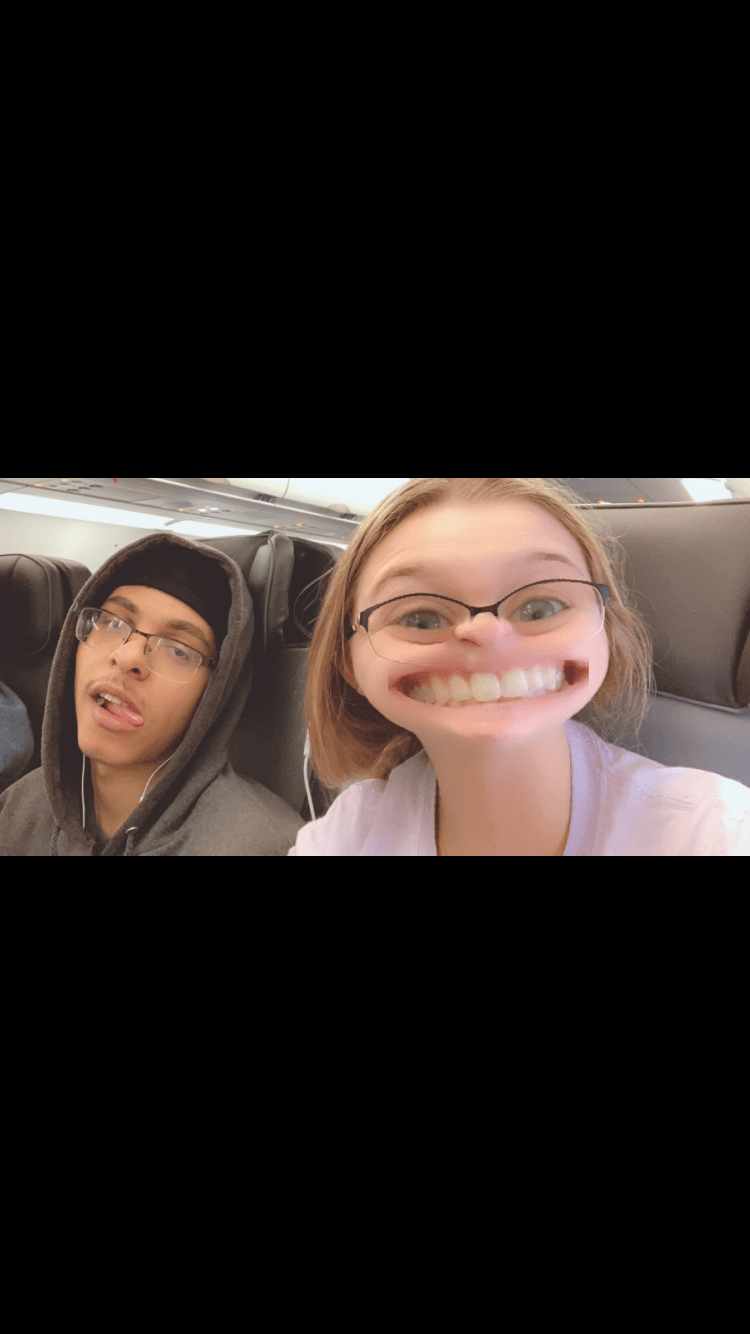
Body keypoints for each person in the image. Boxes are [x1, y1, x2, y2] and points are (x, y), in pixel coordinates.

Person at [288, 478, 750, 856]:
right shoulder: (343, 835)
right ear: (347, 662)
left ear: (607, 632)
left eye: (540, 607)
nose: (486, 633)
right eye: (420, 618)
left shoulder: (719, 833)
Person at [0, 533, 304, 856]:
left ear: (215, 695)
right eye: (113, 623)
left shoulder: (271, 847)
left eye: (178, 650)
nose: (127, 657)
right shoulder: (19, 807)